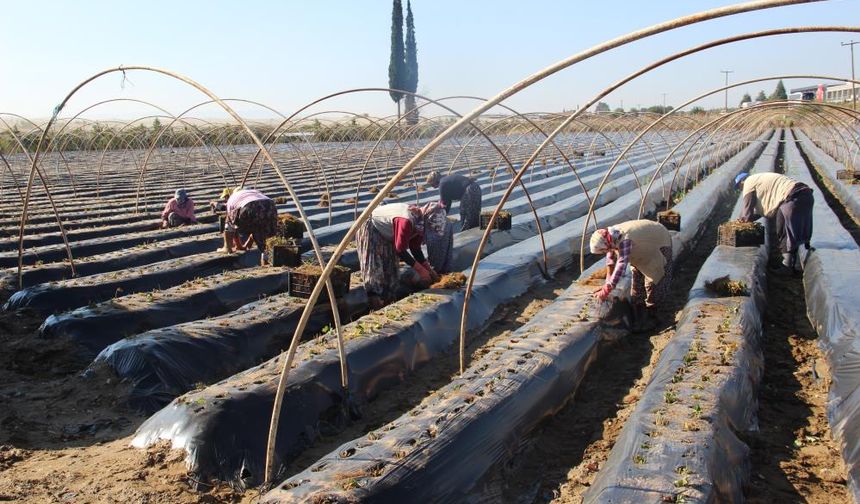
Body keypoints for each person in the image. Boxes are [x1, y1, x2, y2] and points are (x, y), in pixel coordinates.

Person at [356, 202, 448, 309]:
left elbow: (415, 248)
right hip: (372, 228)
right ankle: (375, 303)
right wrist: (421, 270)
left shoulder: (420, 225)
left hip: (388, 234)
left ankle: (388, 299)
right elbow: (400, 250)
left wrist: (429, 269)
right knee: (376, 267)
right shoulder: (406, 220)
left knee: (391, 268)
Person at [590, 219, 675, 332]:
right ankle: (639, 316)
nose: (605, 252)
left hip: (657, 243)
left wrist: (608, 288)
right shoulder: (610, 237)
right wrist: (607, 282)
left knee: (654, 283)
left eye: (603, 250)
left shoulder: (624, 239)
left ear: (606, 244)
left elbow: (621, 265)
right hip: (639, 251)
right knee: (636, 284)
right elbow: (610, 260)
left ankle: (653, 317)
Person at [735, 172, 814, 274]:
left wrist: (741, 222)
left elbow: (747, 210)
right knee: (794, 232)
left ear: (742, 182)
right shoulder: (760, 179)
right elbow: (762, 211)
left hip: (792, 198)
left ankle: (786, 267)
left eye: (739, 187)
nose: (741, 190)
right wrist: (749, 217)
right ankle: (792, 265)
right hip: (806, 195)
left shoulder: (748, 183)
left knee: (784, 231)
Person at [218, 187, 278, 266]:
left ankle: (227, 247)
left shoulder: (232, 199)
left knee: (229, 222)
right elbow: (256, 224)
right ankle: (267, 261)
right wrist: (247, 243)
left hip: (249, 206)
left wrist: (239, 246)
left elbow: (231, 227)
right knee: (265, 237)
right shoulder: (254, 192)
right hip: (270, 205)